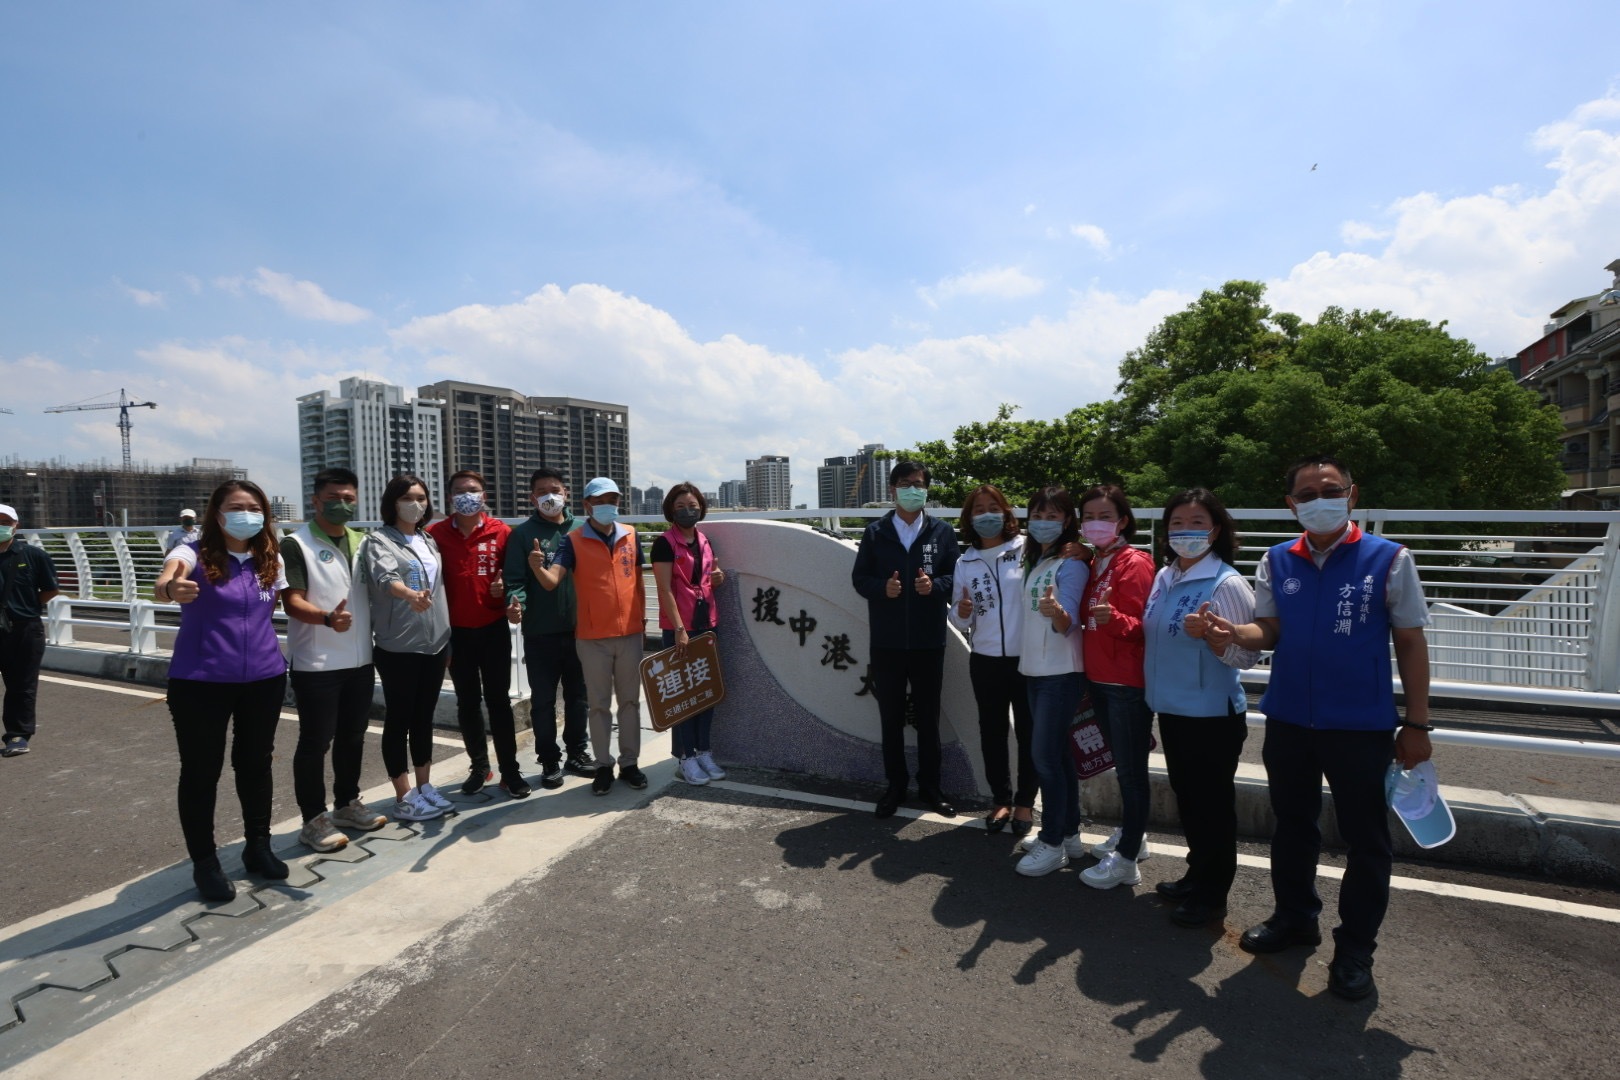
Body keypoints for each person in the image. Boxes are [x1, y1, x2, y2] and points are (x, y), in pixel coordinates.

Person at [1200, 456, 1433, 1002]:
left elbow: (1411, 642)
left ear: (1352, 495)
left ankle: (1355, 949)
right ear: (1291, 504)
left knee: (1367, 840)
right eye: (1306, 493)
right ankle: (1295, 918)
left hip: (1362, 725)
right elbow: (1271, 628)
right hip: (1289, 720)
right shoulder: (1278, 559)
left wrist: (1417, 724)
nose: (1318, 499)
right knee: (1293, 826)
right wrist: (1235, 631)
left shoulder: (1389, 558)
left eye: (1331, 489)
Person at [154, 480, 289, 902]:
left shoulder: (269, 558)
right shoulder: (192, 552)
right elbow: (166, 579)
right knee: (201, 772)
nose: (246, 513)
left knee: (256, 764)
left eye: (254, 507)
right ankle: (206, 864)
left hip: (265, 678)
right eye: (236, 506)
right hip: (201, 681)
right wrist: (171, 589)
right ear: (216, 512)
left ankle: (258, 846)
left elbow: (284, 604)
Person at [1142, 488, 1260, 926]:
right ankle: (1197, 874)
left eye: (1196, 523)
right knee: (1189, 800)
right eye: (1177, 523)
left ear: (1215, 530)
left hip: (1211, 715)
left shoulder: (1225, 582)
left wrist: (1216, 638)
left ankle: (1213, 895)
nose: (1186, 531)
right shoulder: (1164, 577)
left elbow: (1248, 656)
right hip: (1172, 709)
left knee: (1211, 806)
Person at [281, 467, 388, 853]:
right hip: (317, 660)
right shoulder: (297, 544)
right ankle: (313, 820)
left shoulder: (364, 542)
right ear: (315, 501)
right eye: (333, 498)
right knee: (315, 742)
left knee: (353, 737)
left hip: (360, 659)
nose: (342, 504)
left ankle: (346, 804)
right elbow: (291, 600)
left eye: (348, 498)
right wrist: (326, 618)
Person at [850, 460, 960, 819]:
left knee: (929, 718)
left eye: (919, 483)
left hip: (929, 641)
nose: (913, 489)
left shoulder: (942, 532)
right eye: (905, 483)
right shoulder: (875, 532)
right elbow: (860, 579)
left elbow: (955, 578)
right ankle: (895, 786)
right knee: (891, 717)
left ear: (927, 489)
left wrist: (935, 586)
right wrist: (884, 588)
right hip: (887, 642)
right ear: (893, 489)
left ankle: (932, 788)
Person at [529, 477, 649, 796]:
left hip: (631, 633)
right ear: (586, 504)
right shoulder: (574, 540)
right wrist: (538, 567)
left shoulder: (631, 535)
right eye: (599, 500)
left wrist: (642, 618)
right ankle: (603, 766)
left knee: (629, 702)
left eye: (612, 499)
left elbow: (637, 581)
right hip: (592, 636)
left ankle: (630, 763)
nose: (607, 504)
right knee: (598, 705)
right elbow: (552, 581)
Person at [1075, 483, 1157, 890]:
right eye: (1088, 516)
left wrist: (1117, 621)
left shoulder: (1135, 562)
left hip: (1126, 683)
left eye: (1104, 516)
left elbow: (1146, 625)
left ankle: (1126, 861)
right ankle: (1133, 838)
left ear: (1123, 521)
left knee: (1130, 773)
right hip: (1101, 680)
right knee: (1124, 768)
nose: (1095, 523)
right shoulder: (1097, 562)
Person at [428, 470, 528, 799]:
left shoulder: (502, 532)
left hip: (493, 628)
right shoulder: (435, 534)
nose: (466, 495)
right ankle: (479, 766)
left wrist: (507, 591)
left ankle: (510, 771)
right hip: (456, 633)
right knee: (467, 703)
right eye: (459, 491)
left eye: (473, 490)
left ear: (484, 496)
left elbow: (516, 578)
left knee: (499, 702)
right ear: (449, 498)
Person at [361, 474, 453, 822]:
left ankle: (425, 787)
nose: (417, 504)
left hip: (434, 643)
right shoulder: (379, 541)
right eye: (408, 498)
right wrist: (409, 595)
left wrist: (447, 635)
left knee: (423, 718)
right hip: (398, 644)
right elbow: (385, 579)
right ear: (393, 502)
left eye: (422, 498)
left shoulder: (428, 539)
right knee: (399, 719)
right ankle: (403, 795)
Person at [947, 485, 1036, 836]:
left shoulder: (1028, 549)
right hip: (984, 658)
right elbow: (958, 620)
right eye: (978, 509)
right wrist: (963, 610)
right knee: (992, 732)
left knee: (1030, 732)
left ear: (1006, 511)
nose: (986, 515)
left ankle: (1025, 803)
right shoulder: (964, 561)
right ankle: (1001, 799)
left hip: (1028, 658)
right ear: (969, 518)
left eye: (992, 507)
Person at [1011, 486, 1090, 875]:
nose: (1044, 523)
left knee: (1045, 758)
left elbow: (1069, 621)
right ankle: (1069, 835)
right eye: (1038, 515)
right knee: (1058, 757)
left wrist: (1057, 611)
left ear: (1067, 521)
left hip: (1060, 673)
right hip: (1036, 670)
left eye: (1053, 516)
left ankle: (1053, 840)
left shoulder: (1071, 564)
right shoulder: (1038, 559)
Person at [506, 468, 592, 789]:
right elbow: (515, 581)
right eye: (542, 492)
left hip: (580, 631)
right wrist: (517, 604)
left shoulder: (583, 530)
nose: (549, 497)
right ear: (533, 498)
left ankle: (577, 753)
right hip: (540, 632)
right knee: (542, 700)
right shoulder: (523, 534)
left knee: (578, 697)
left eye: (554, 490)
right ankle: (549, 759)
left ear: (566, 493)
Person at [650, 483, 726, 786]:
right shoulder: (664, 543)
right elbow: (664, 589)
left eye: (692, 504)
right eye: (680, 506)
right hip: (680, 627)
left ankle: (704, 750)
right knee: (682, 695)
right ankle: (685, 757)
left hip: (707, 622)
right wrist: (679, 629)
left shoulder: (704, 540)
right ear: (671, 509)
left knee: (706, 691)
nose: (687, 510)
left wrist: (716, 579)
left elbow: (704, 579)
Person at [0, 504, 60, 758]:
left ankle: (17, 735)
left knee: (22, 685)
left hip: (25, 629)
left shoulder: (33, 555)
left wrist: (25, 609)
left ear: (16, 525)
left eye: (5, 521)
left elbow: (50, 589)